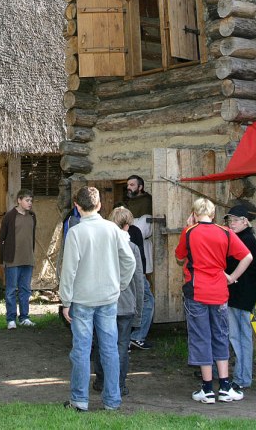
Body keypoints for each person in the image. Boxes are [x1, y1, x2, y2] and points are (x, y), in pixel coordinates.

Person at [58, 186, 136, 412]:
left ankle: (80, 400)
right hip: (108, 298)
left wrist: (65, 301)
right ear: (100, 205)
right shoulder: (112, 229)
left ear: (77, 206)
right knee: (109, 349)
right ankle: (112, 400)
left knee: (81, 350)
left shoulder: (75, 232)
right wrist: (119, 284)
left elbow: (69, 270)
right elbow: (129, 261)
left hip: (82, 300)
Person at [175, 197, 252, 404]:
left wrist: (189, 227)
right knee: (220, 335)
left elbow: (180, 256)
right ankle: (225, 386)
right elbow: (247, 256)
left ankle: (207, 388)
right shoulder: (225, 232)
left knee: (201, 337)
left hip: (197, 292)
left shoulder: (189, 232)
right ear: (213, 213)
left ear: (194, 213)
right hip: (219, 291)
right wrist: (232, 277)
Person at [93, 206, 144, 399]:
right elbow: (138, 281)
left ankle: (101, 381)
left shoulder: (101, 246)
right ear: (126, 225)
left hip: (103, 301)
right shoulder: (132, 248)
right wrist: (138, 310)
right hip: (125, 305)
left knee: (100, 343)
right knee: (122, 345)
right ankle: (119, 384)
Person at [224, 204, 256, 390]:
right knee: (235, 336)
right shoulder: (239, 237)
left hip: (242, 293)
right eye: (230, 220)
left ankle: (243, 377)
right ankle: (241, 375)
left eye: (236, 220)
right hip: (236, 294)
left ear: (246, 221)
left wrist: (230, 278)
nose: (232, 223)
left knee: (241, 336)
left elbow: (244, 262)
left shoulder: (246, 239)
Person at [123, 175, 155, 351]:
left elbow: (143, 230)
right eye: (128, 184)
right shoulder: (126, 204)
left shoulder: (147, 202)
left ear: (140, 187)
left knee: (144, 295)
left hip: (141, 250)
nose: (129, 187)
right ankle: (133, 335)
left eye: (132, 184)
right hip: (127, 254)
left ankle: (136, 335)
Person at [0, 189, 36, 329]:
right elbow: (1, 239)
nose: (30, 203)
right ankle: (11, 319)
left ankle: (24, 317)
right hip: (12, 259)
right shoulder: (9, 216)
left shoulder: (32, 216)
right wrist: (2, 260)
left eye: (31, 200)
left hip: (28, 259)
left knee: (25, 289)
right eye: (27, 200)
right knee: (11, 290)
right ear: (19, 200)